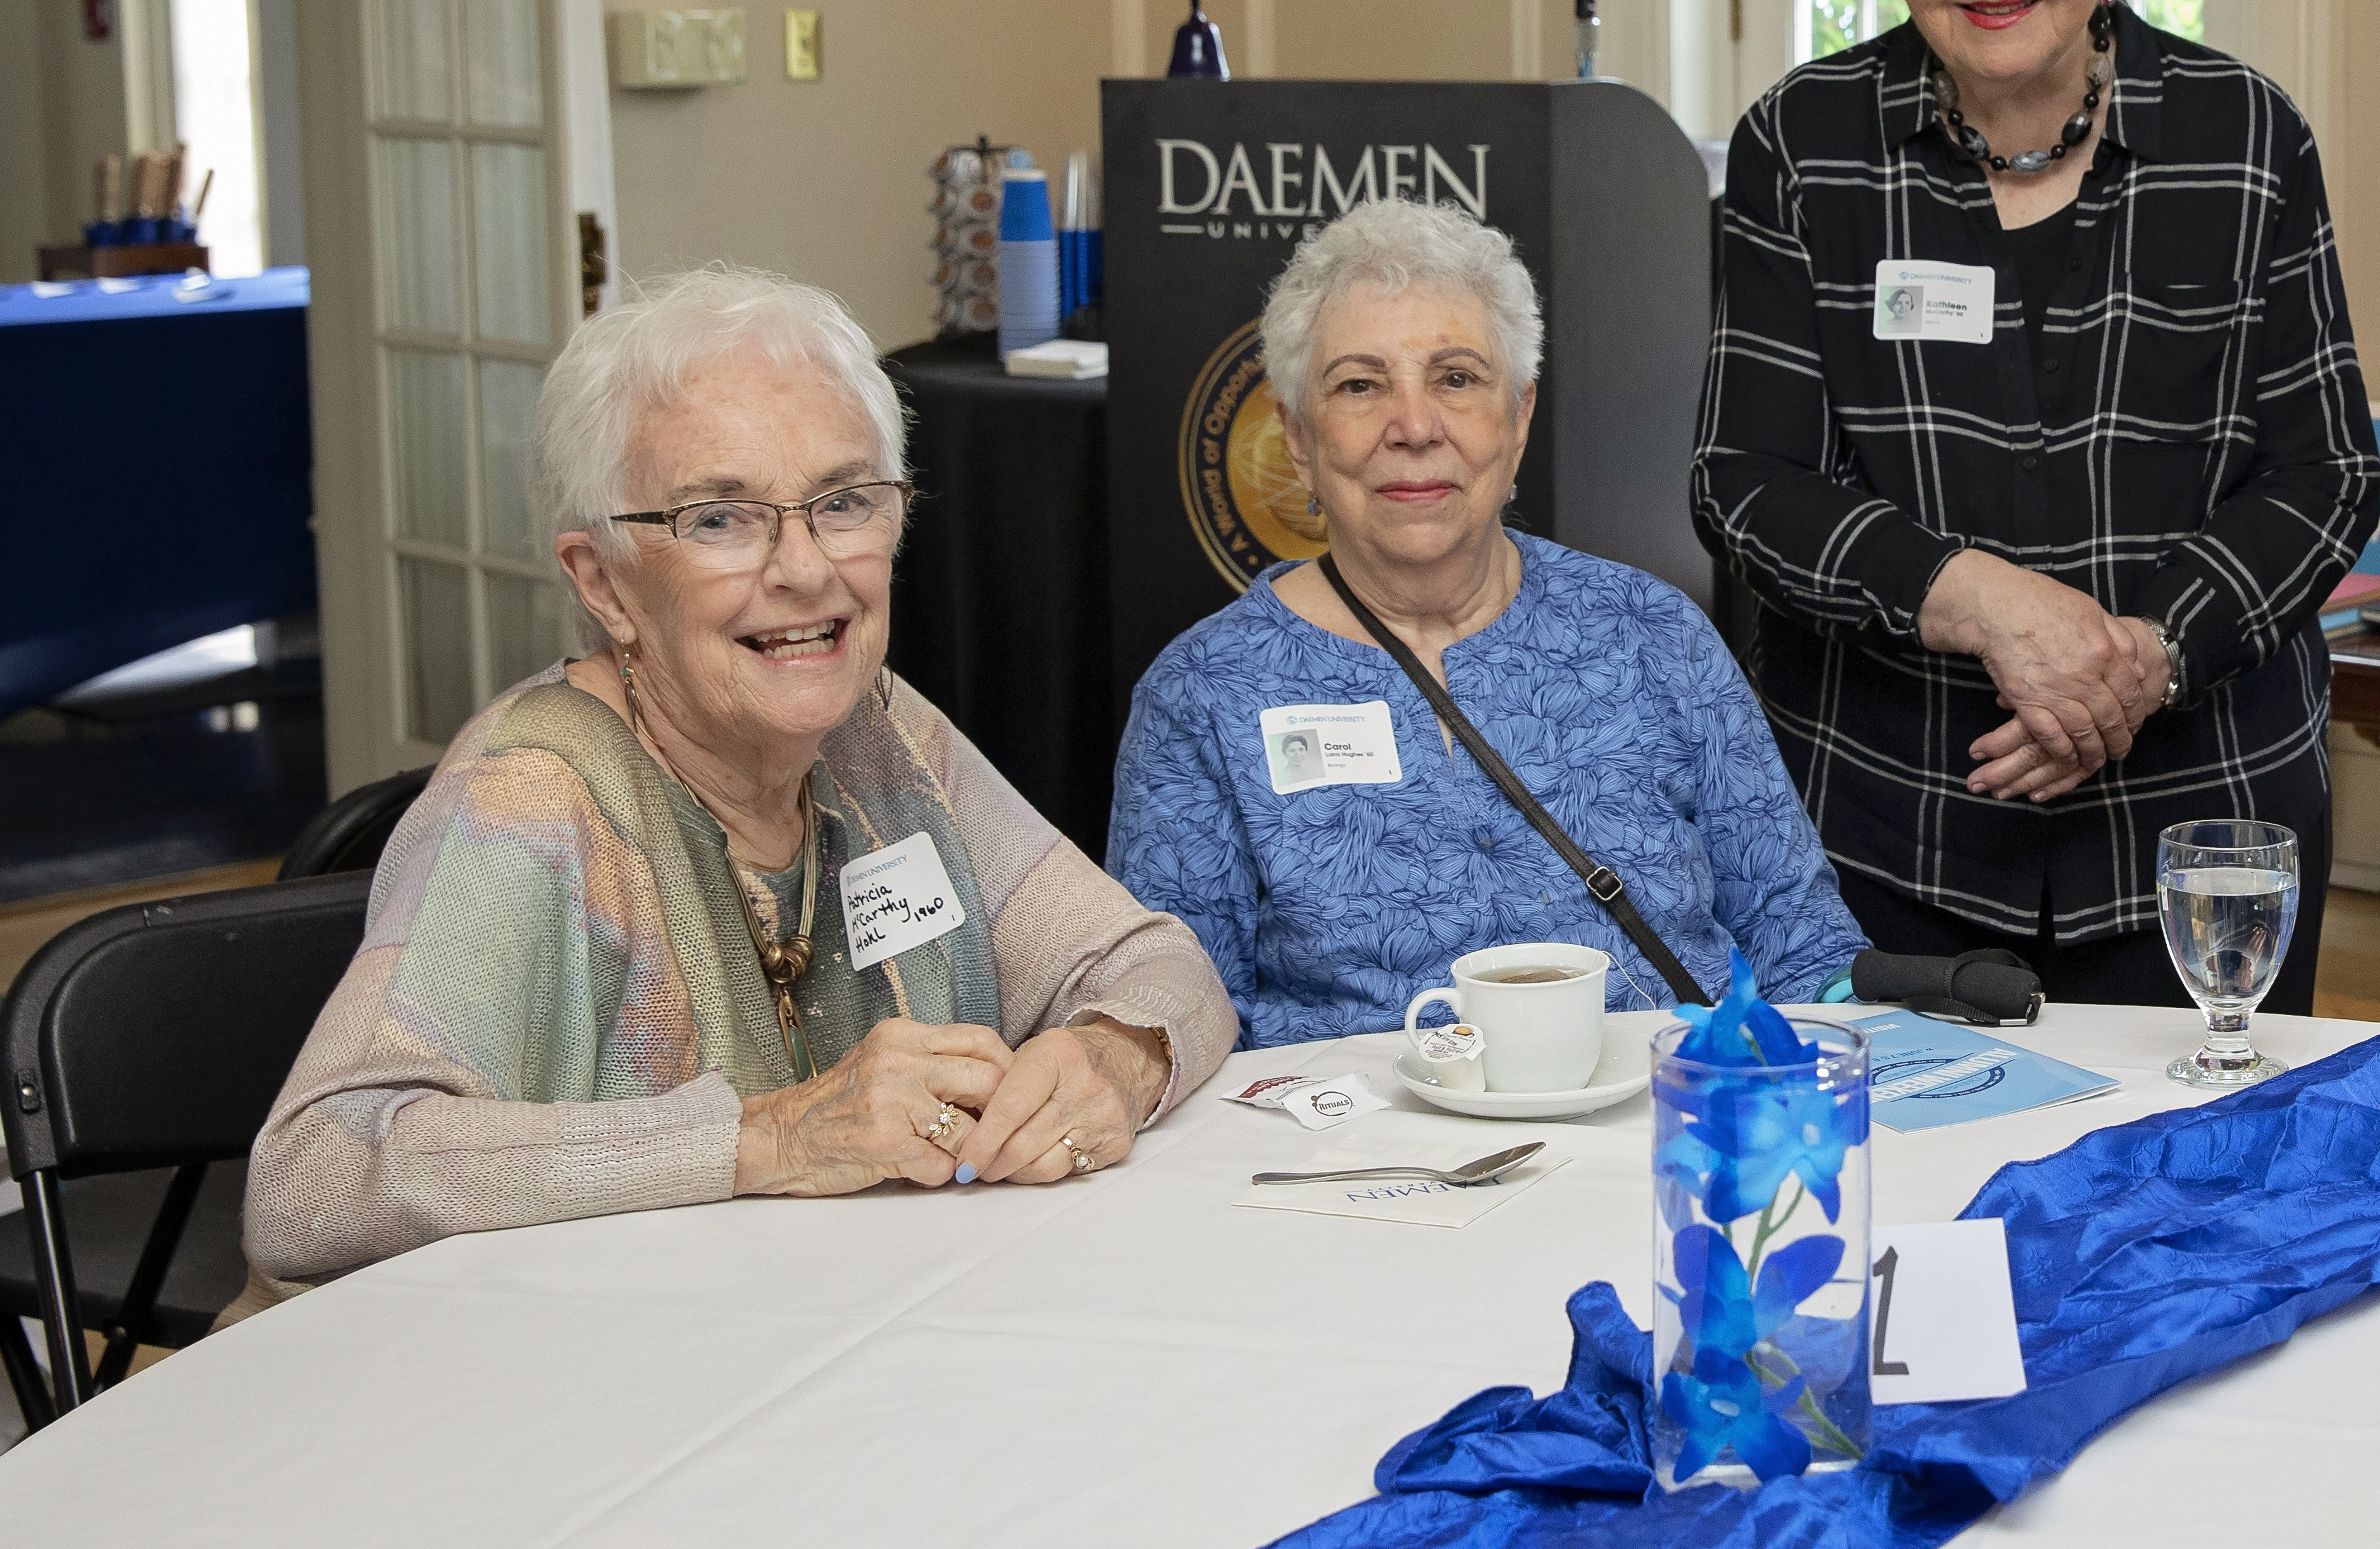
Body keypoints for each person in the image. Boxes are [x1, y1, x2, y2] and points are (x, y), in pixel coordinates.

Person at [245, 268, 1237, 1286]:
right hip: (511, 1394)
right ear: (603, 583)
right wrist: (772, 1138)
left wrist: (1115, 1058)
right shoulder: (534, 802)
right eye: (721, 518)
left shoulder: (880, 732)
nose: (806, 570)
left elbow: (1156, 964)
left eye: (845, 502)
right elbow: (311, 1181)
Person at [1693, 0, 2380, 1010]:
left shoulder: (2244, 139)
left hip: (2204, 837)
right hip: (1888, 828)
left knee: (2202, 1187)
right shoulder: (1803, 143)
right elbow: (1747, 483)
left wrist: (2138, 661)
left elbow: (2326, 473)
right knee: (1901, 1192)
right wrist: (1990, 604)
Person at [1112, 199, 1866, 1041]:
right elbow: (1170, 1021)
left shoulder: (1653, 632)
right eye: (1360, 385)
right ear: (1296, 438)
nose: (1414, 427)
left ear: (1518, 418)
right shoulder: (1203, 693)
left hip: (1661, 1131)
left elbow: (1804, 949)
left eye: (1456, 379)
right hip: (1360, 1157)